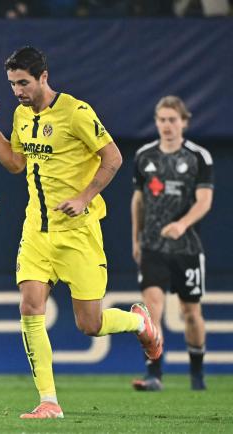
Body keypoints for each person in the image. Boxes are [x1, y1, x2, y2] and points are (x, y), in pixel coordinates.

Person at [0, 46, 162, 419]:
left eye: (23, 82)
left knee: (89, 325)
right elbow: (14, 163)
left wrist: (85, 196)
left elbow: (114, 158)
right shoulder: (22, 115)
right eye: (12, 84)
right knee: (30, 305)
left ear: (44, 76)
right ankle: (49, 401)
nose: (17, 91)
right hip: (37, 230)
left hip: (78, 232)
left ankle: (141, 322)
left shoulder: (76, 112)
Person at [131, 96, 213, 391]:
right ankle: (155, 375)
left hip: (187, 249)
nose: (167, 125)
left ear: (184, 122)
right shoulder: (144, 156)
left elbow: (205, 201)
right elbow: (138, 200)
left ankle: (197, 375)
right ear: (156, 122)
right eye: (162, 120)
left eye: (172, 120)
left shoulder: (198, 157)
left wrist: (182, 224)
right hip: (153, 246)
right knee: (152, 308)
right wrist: (136, 238)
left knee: (190, 313)